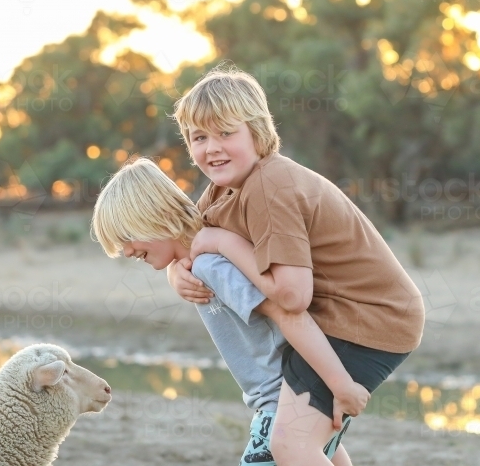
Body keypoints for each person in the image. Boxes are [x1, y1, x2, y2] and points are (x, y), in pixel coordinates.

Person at [168, 63, 426, 466]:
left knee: (289, 446)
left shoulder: (272, 185)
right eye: (199, 137)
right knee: (312, 443)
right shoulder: (222, 190)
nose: (212, 147)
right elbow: (189, 245)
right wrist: (175, 273)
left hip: (368, 320)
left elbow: (291, 295)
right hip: (338, 321)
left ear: (257, 131)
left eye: (225, 132)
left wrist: (223, 241)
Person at [90, 157, 363, 465]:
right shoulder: (199, 262)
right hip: (298, 396)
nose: (127, 251)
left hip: (284, 401)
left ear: (156, 217)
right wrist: (174, 271)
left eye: (128, 238)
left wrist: (341, 384)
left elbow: (288, 315)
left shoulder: (210, 265)